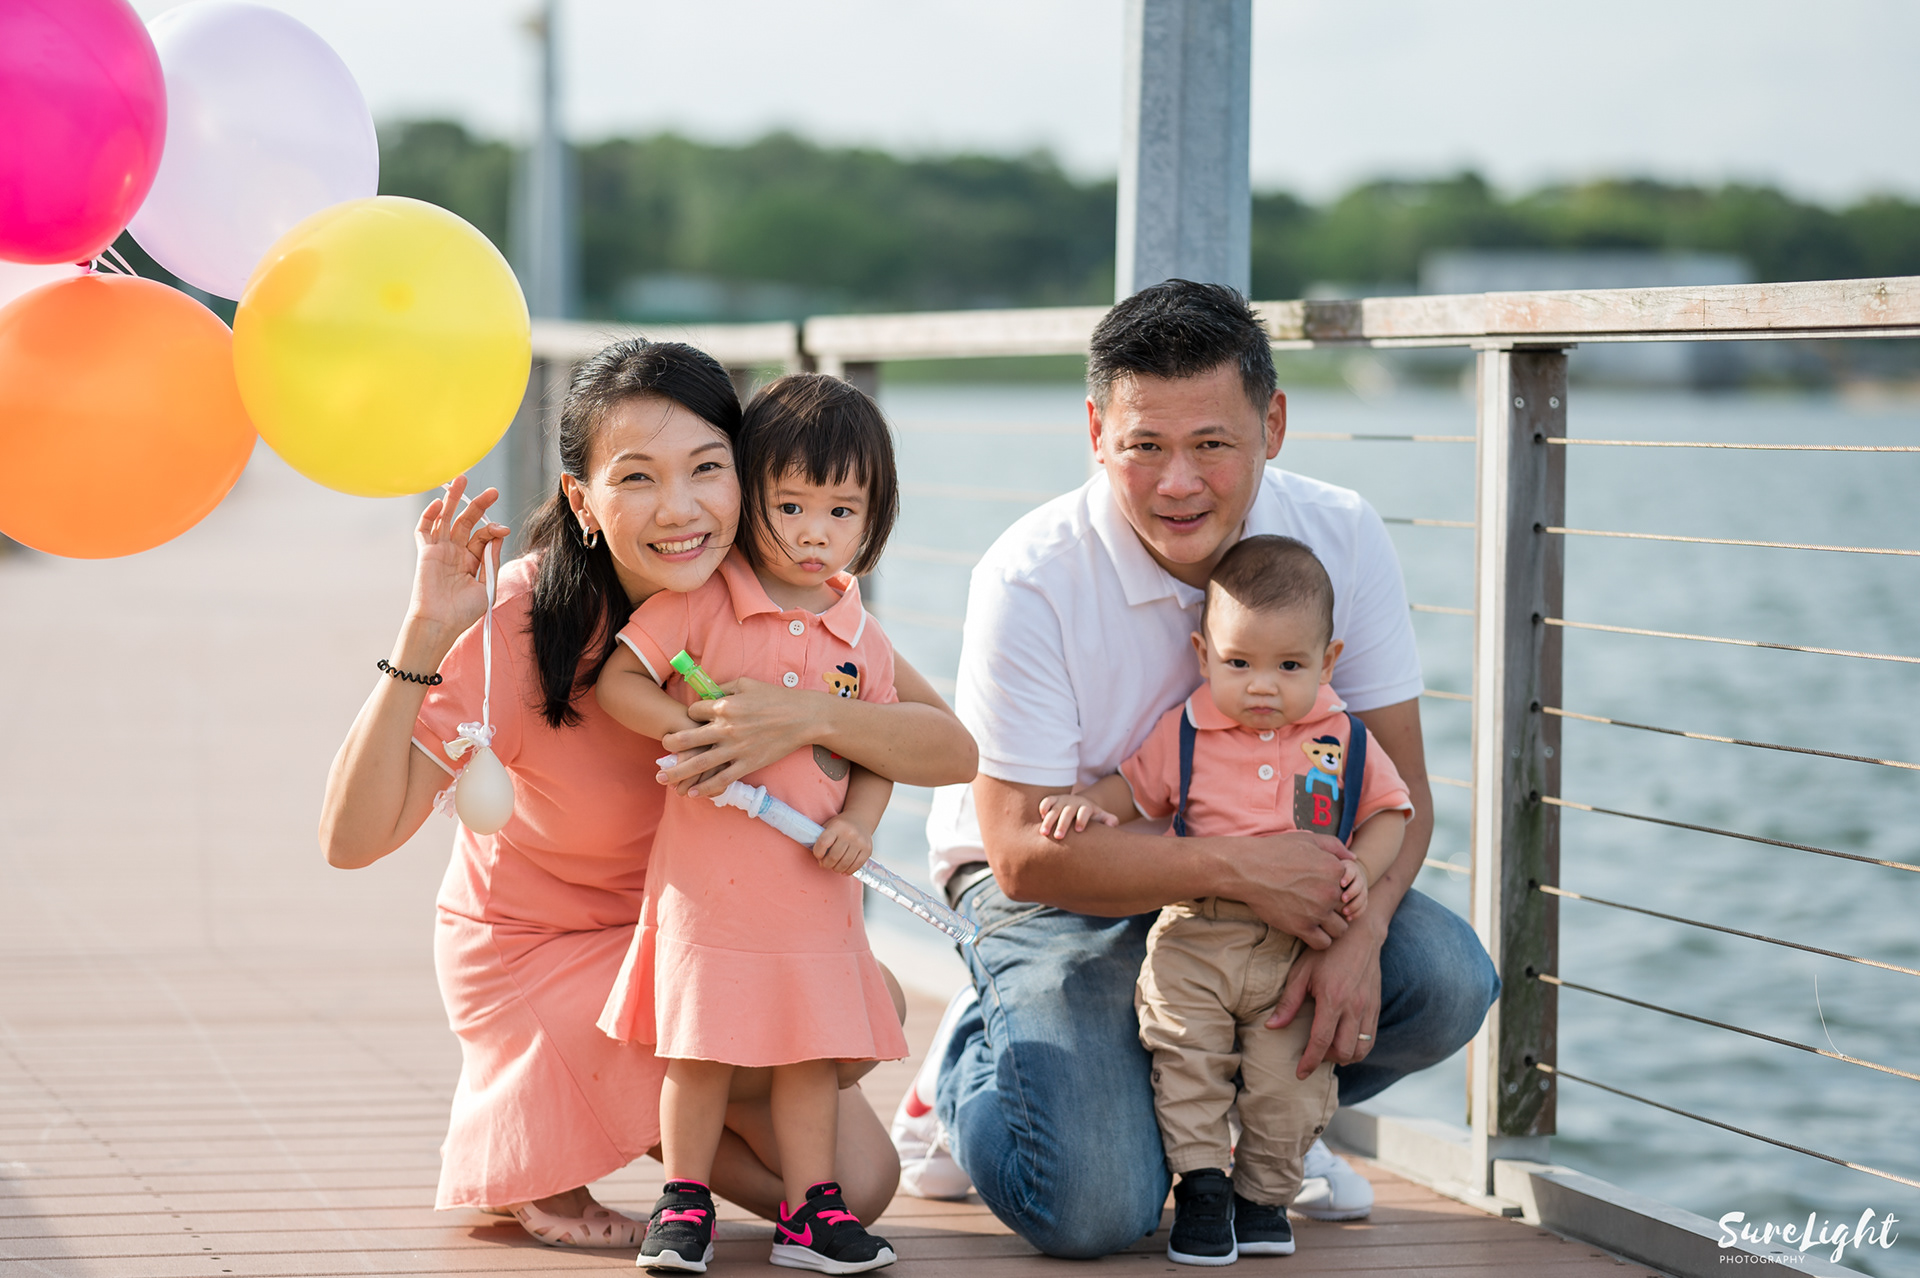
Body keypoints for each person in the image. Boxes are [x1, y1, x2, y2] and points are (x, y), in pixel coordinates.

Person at [318, 342, 977, 1248]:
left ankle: (605, 1122)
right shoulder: (523, 622)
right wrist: (426, 630)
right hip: (545, 946)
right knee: (832, 1051)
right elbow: (351, 840)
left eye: (707, 468)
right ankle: (553, 1132)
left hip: (694, 933)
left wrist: (804, 716)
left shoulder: (777, 596)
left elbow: (950, 748)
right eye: (636, 477)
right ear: (582, 500)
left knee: (862, 1171)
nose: (679, 509)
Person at [895, 280, 1500, 1257]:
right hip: (1067, 889)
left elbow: (1405, 791)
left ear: (1275, 425)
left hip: (1269, 890)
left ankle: (1265, 1119)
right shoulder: (1030, 575)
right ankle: (971, 1065)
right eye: (1145, 446)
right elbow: (1018, 854)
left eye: (1212, 443)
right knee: (1097, 1208)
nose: (1178, 483)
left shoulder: (1342, 534)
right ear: (1097, 433)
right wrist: (1237, 869)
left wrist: (1360, 934)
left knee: (1445, 979)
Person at [594, 374, 910, 1274]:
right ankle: (682, 1202)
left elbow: (881, 747)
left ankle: (811, 1214)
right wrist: (688, 729)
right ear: (749, 496)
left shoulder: (861, 636)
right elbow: (620, 681)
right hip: (708, 892)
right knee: (699, 1049)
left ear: (872, 518)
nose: (815, 533)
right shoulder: (703, 599)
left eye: (843, 512)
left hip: (813, 895)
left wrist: (861, 822)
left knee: (809, 1058)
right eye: (791, 506)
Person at [1036, 535, 1412, 1265]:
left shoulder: (1343, 739)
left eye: (1289, 666)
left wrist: (1363, 873)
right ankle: (1203, 1190)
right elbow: (1133, 788)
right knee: (1185, 1058)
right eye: (1239, 663)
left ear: (1328, 662)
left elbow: (1391, 813)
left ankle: (1264, 1199)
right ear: (1204, 655)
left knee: (1290, 1081)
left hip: (1299, 945)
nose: (1262, 686)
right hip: (1198, 930)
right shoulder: (1187, 731)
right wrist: (1089, 805)